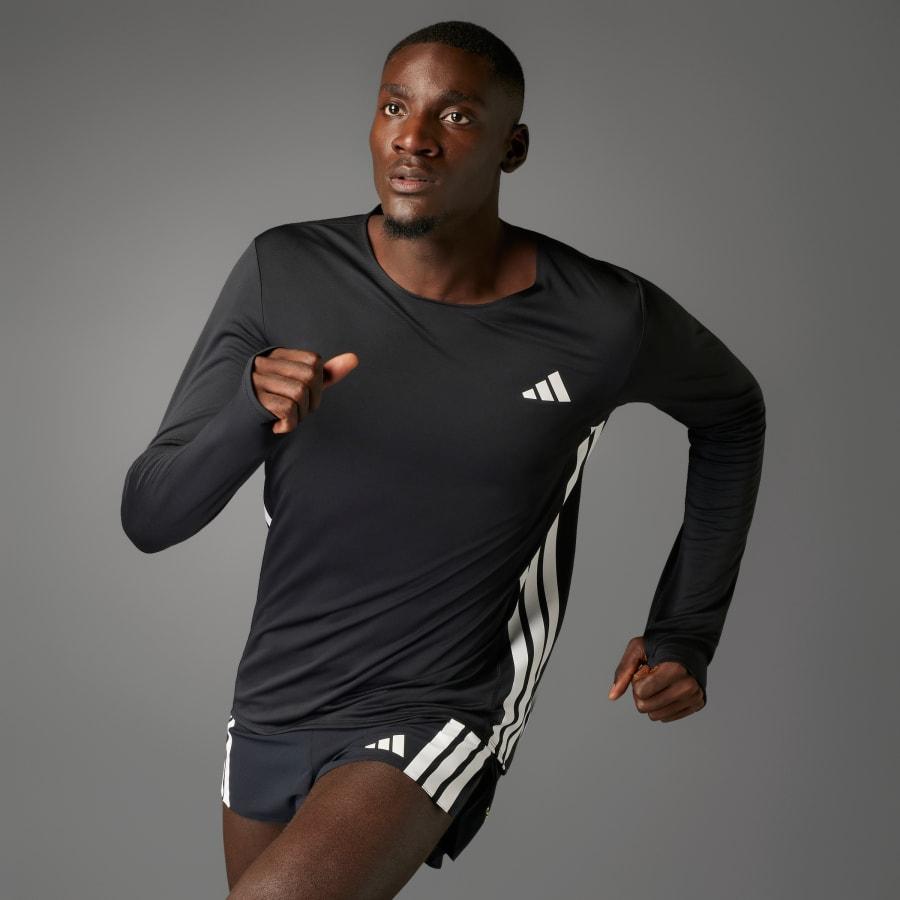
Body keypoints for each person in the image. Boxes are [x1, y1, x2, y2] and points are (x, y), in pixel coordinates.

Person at [120, 19, 766, 900]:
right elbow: (151, 516)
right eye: (395, 107)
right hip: (272, 700)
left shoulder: (602, 318)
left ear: (513, 147)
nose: (414, 137)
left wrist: (686, 627)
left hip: (442, 705)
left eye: (455, 116)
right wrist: (247, 410)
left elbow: (732, 414)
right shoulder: (285, 270)